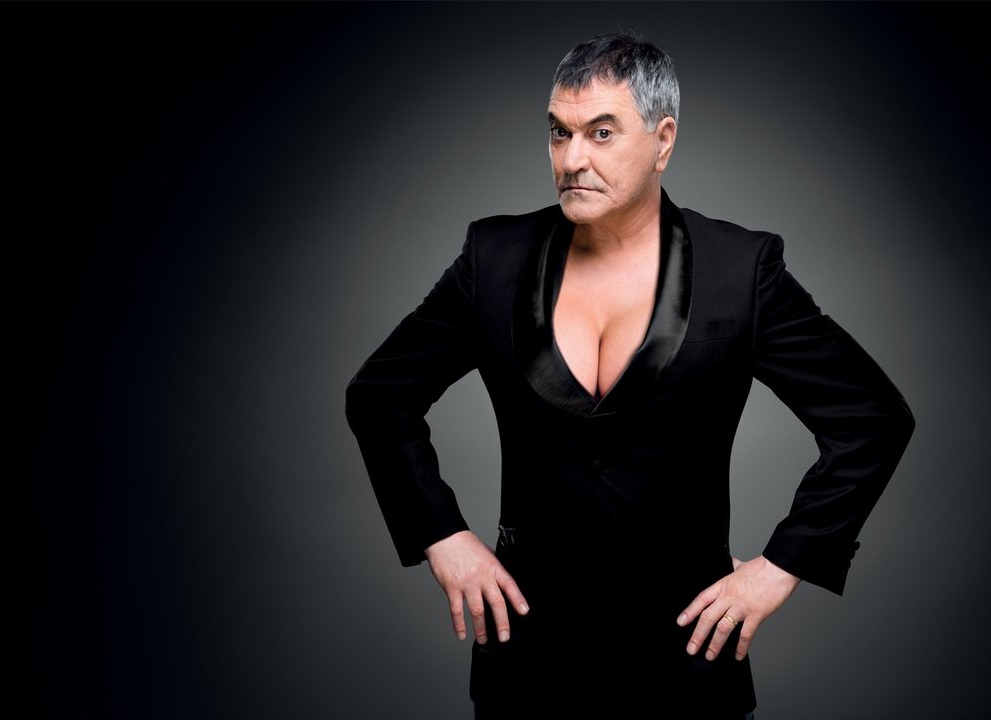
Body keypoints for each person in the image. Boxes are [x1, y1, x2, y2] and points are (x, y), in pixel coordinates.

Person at [345, 33, 914, 720]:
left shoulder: (741, 271)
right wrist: (440, 534)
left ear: (662, 141)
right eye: (559, 132)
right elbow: (379, 397)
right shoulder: (491, 258)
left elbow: (872, 419)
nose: (572, 159)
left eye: (601, 132)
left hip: (686, 665)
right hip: (526, 664)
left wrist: (782, 565)